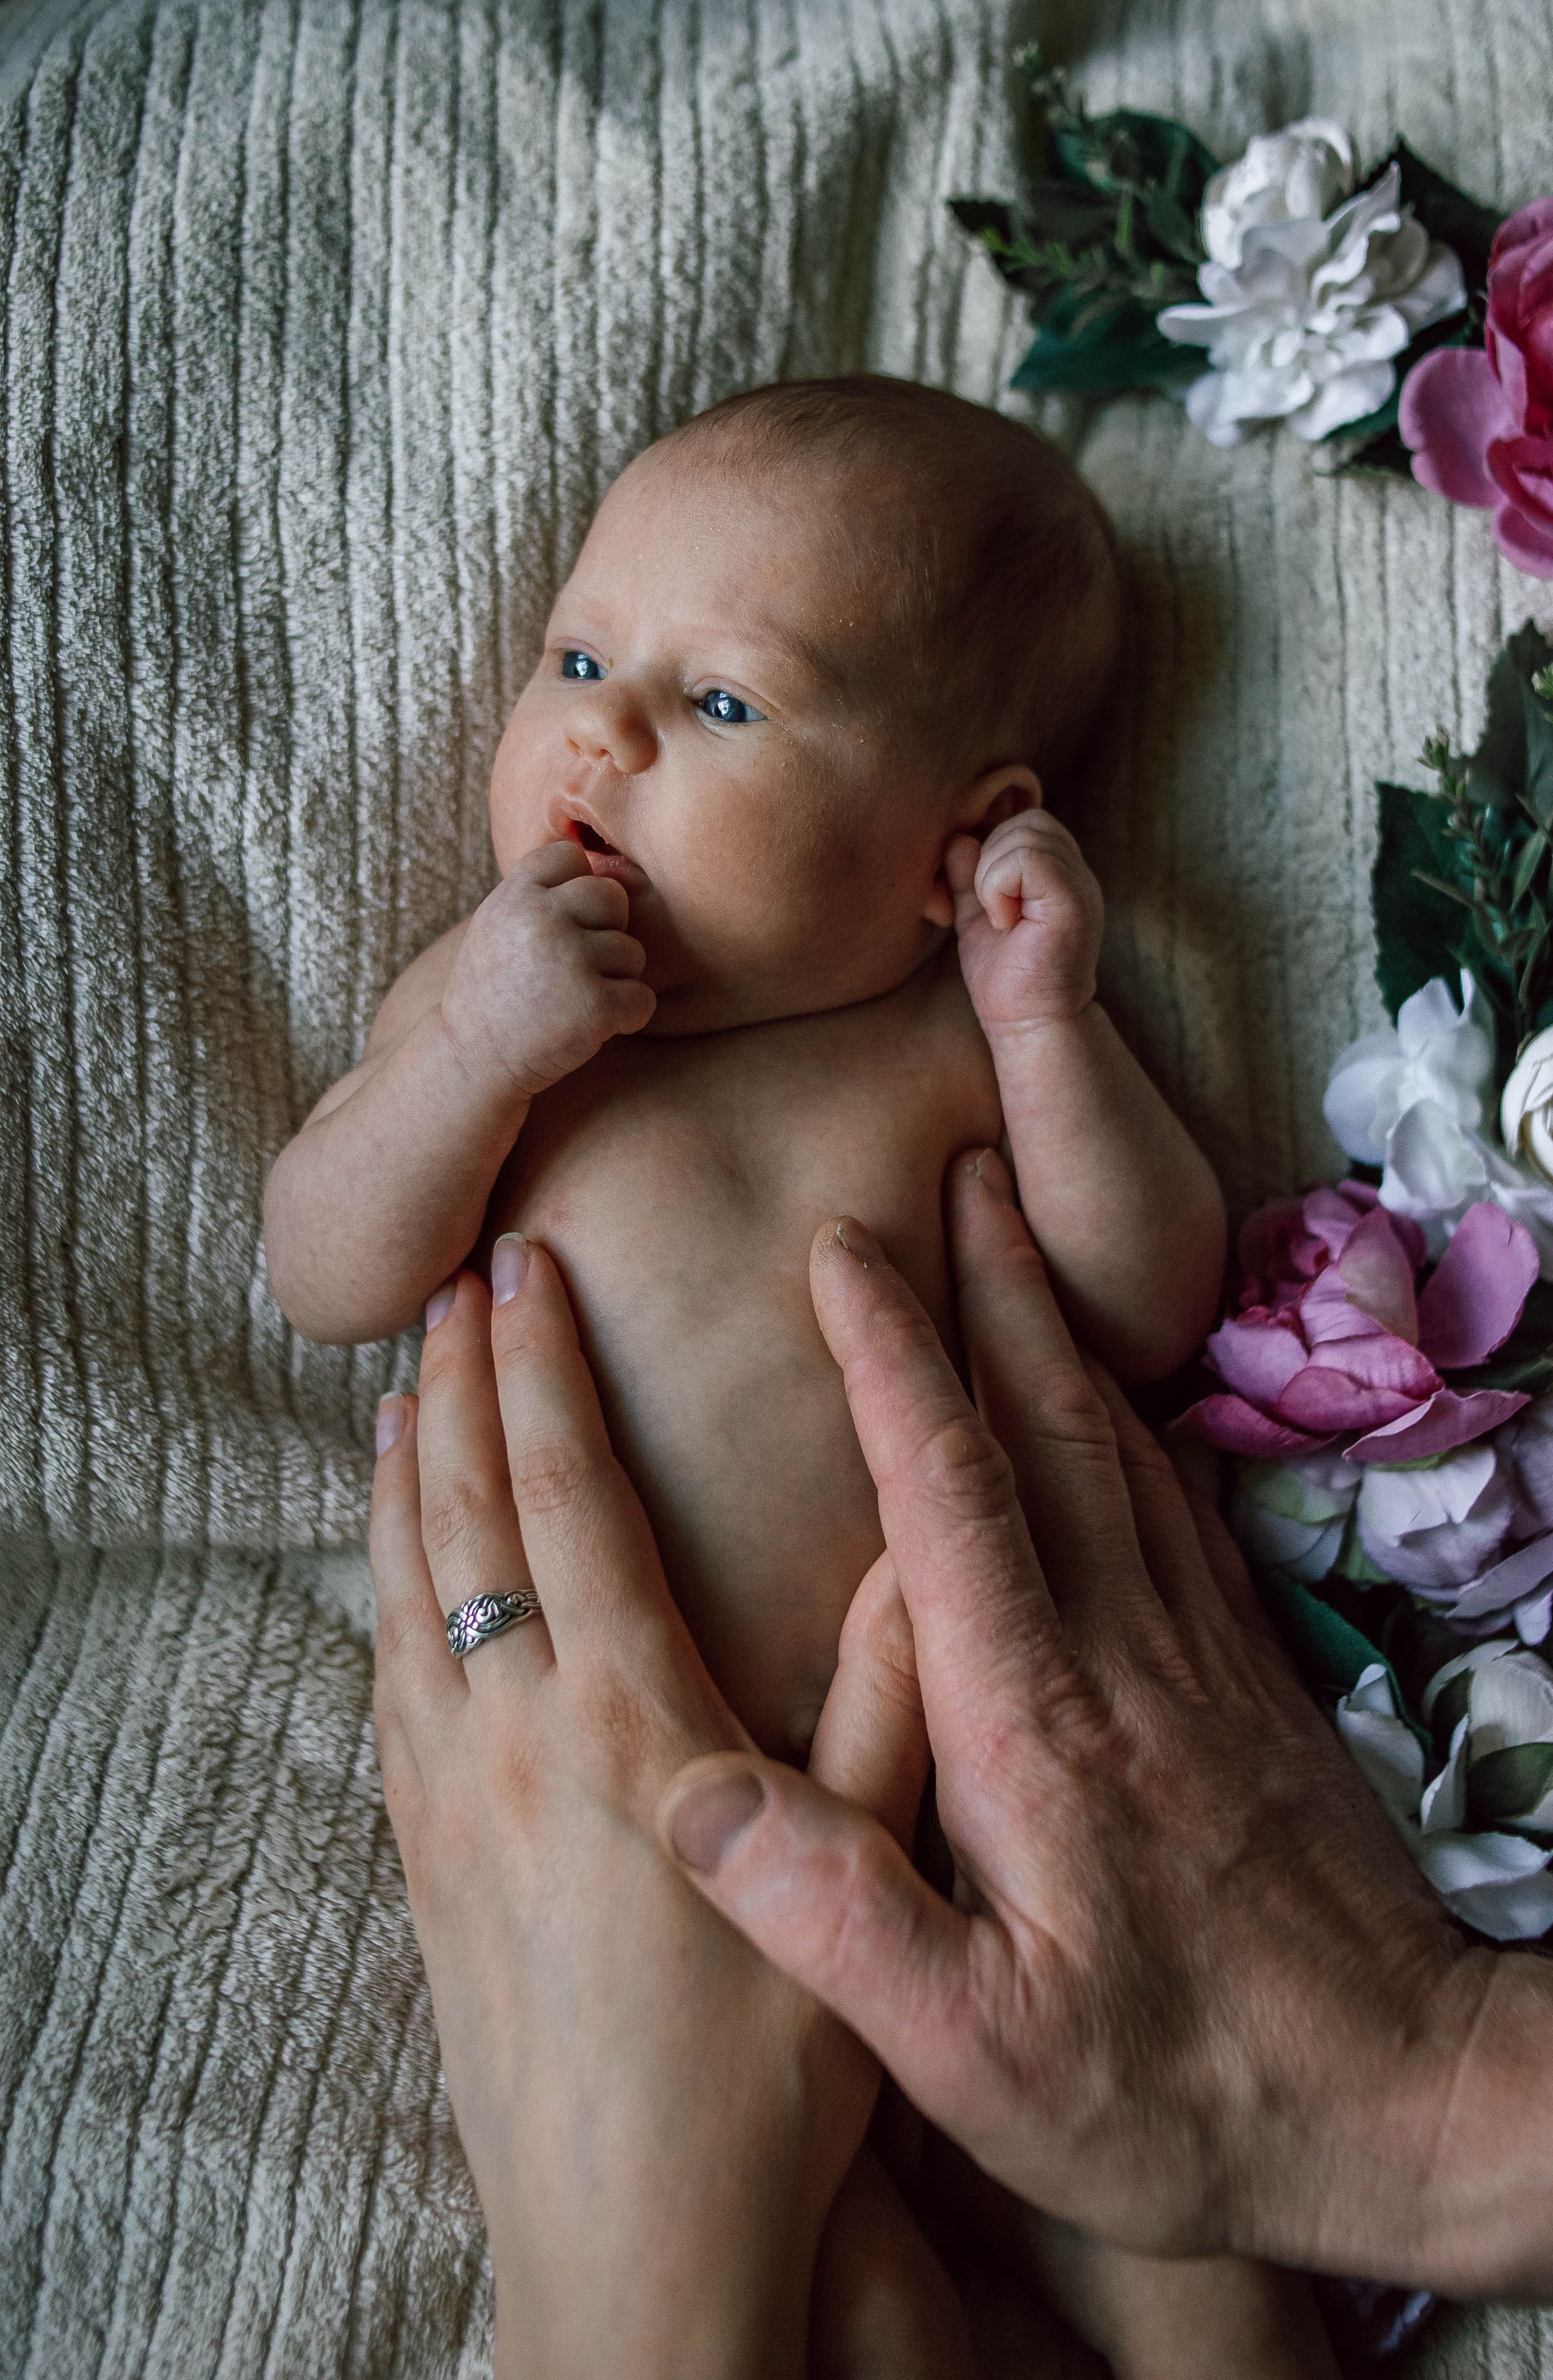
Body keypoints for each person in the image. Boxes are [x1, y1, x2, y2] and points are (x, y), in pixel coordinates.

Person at [281, 374, 1320, 2374]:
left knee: (1178, 2233)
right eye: (579, 656)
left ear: (960, 841)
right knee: (844, 2304)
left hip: (980, 1825)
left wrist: (1051, 1020)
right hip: (633, 1852)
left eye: (724, 703)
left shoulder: (957, 1032)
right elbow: (324, 1262)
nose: (603, 727)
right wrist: (472, 1051)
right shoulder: (499, 1005)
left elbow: (1148, 1298)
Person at [369, 1162, 1553, 2380]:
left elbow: (1147, 1293)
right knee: (942, 2291)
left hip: (980, 1848)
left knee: (1170, 2270)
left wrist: (622, 2286)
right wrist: (1431, 2087)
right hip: (916, 1861)